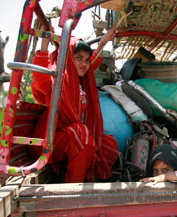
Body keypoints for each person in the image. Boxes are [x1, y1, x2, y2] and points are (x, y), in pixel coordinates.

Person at [30, 26, 119, 183]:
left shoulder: (80, 81)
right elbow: (39, 77)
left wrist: (103, 42)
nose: (84, 64)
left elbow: (92, 64)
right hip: (48, 141)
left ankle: (93, 181)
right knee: (81, 133)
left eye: (86, 60)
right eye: (78, 58)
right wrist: (44, 43)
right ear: (69, 58)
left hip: (69, 139)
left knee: (105, 142)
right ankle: (73, 187)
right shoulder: (57, 78)